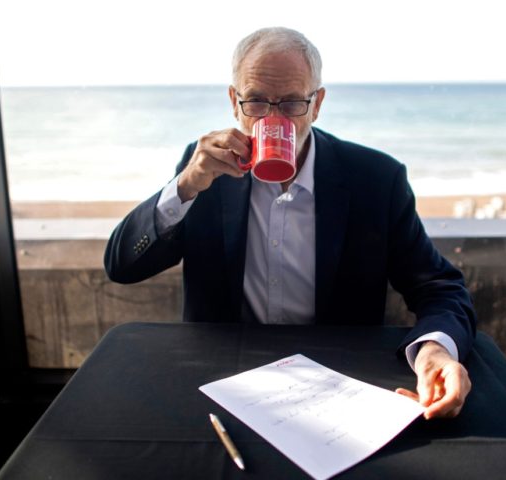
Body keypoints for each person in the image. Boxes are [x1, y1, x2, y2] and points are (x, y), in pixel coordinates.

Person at [104, 27, 476, 419]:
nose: (273, 118)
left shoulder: (375, 180)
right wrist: (183, 188)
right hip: (223, 380)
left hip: (341, 383)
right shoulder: (204, 174)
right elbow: (121, 267)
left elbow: (439, 286)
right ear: (235, 101)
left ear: (317, 105)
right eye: (257, 102)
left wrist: (435, 349)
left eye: (292, 104)